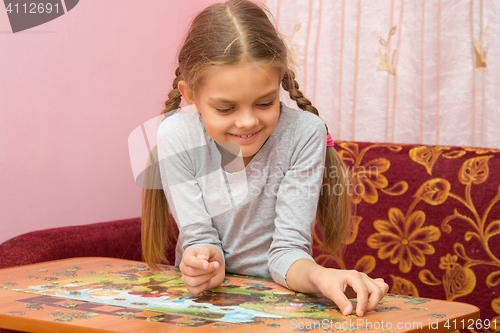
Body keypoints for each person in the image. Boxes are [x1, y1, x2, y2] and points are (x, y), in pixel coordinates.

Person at [141, 0, 388, 317]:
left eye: (265, 102)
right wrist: (202, 262)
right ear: (191, 96)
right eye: (226, 108)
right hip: (201, 308)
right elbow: (199, 238)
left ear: (280, 81)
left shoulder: (303, 133)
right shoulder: (175, 136)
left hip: (279, 306)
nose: (247, 122)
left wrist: (321, 276)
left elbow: (287, 252)